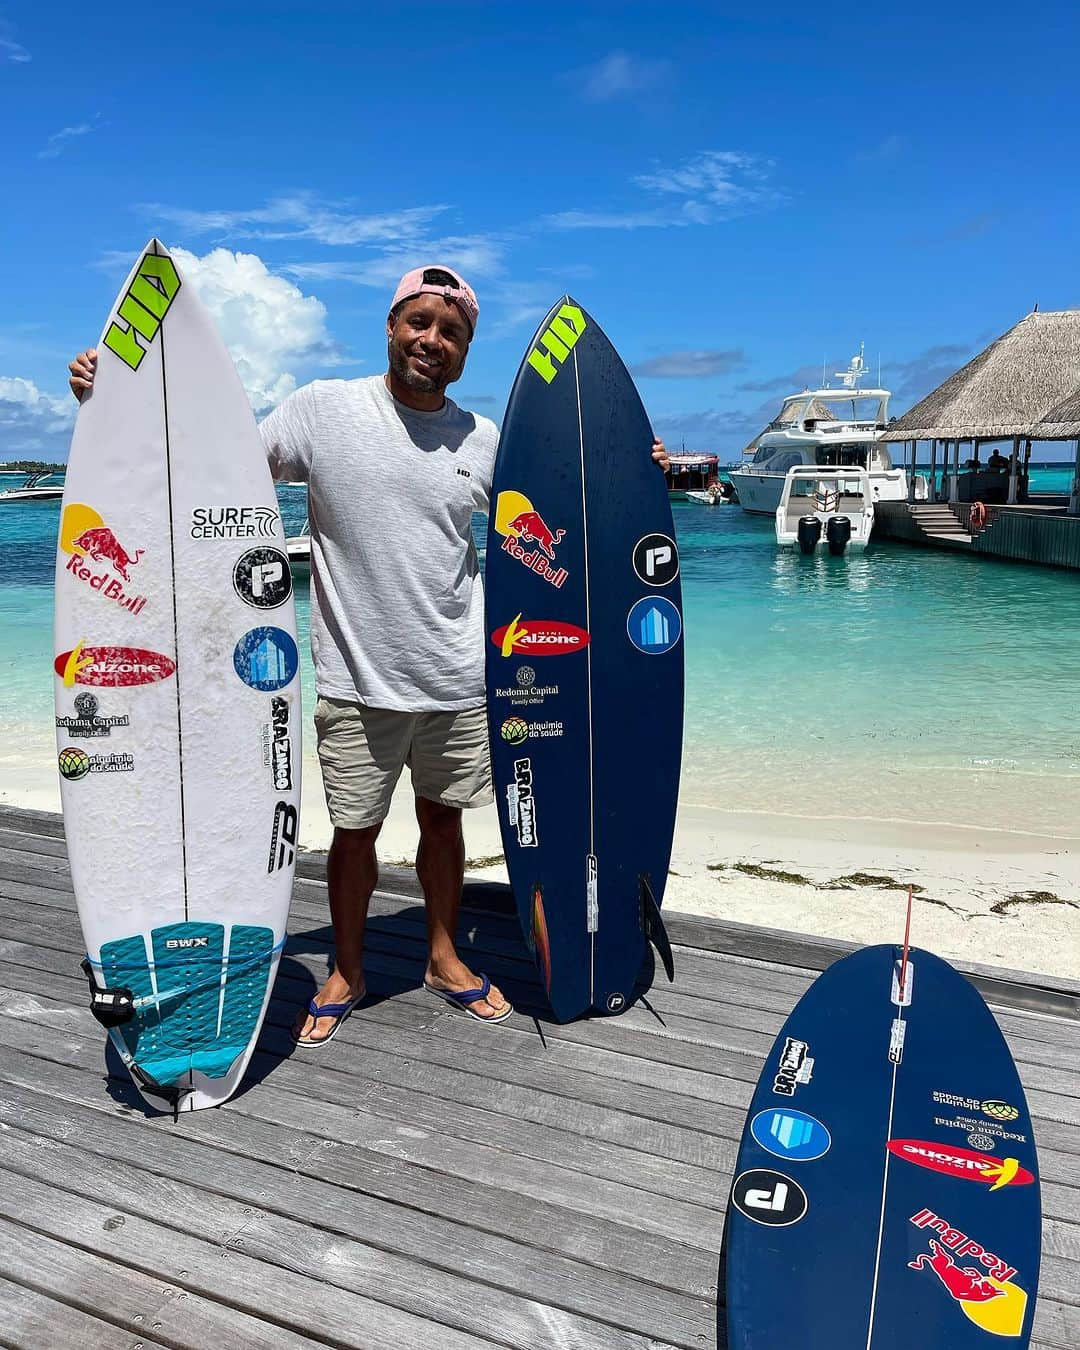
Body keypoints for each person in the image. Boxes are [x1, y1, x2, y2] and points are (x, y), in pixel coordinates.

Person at [69, 264, 670, 1045]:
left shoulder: (487, 441)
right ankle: (348, 970)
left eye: (451, 333)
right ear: (391, 326)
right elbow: (212, 478)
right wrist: (110, 405)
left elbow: (566, 525)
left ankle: (444, 957)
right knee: (354, 832)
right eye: (420, 323)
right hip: (357, 678)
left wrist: (638, 475)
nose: (432, 341)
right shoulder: (321, 411)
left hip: (460, 677)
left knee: (443, 822)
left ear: (466, 351)